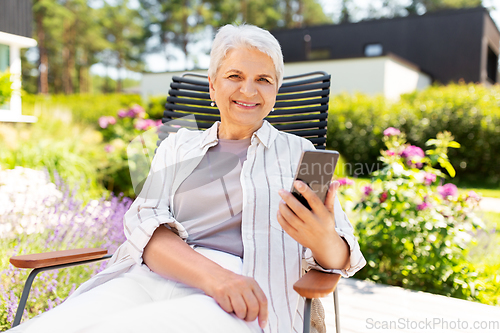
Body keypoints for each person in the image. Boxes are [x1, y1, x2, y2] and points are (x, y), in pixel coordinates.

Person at [9, 24, 365, 333]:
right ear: (212, 86)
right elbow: (145, 222)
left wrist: (323, 239)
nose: (248, 90)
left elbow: (343, 254)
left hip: (244, 291)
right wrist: (214, 277)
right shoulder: (178, 143)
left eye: (263, 80)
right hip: (154, 276)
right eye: (234, 77)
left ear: (275, 91)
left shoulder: (302, 152)